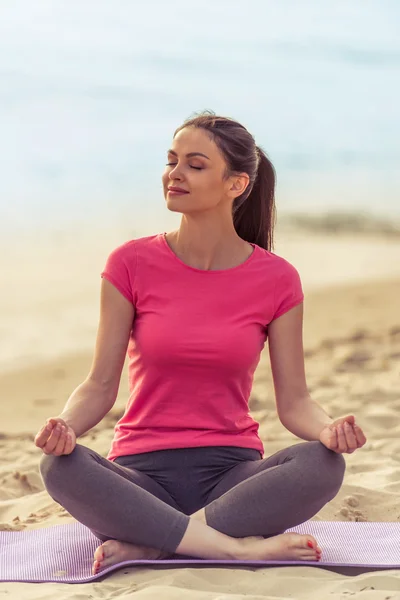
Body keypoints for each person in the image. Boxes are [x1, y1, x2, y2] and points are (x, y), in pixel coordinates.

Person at [36, 111, 367, 576]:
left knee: (324, 464)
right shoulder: (130, 263)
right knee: (59, 467)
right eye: (171, 161)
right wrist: (66, 428)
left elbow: (295, 402)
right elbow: (99, 384)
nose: (174, 174)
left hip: (232, 480)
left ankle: (158, 543)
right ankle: (233, 548)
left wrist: (329, 430)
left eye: (194, 164)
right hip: (140, 476)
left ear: (236, 184)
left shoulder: (277, 279)